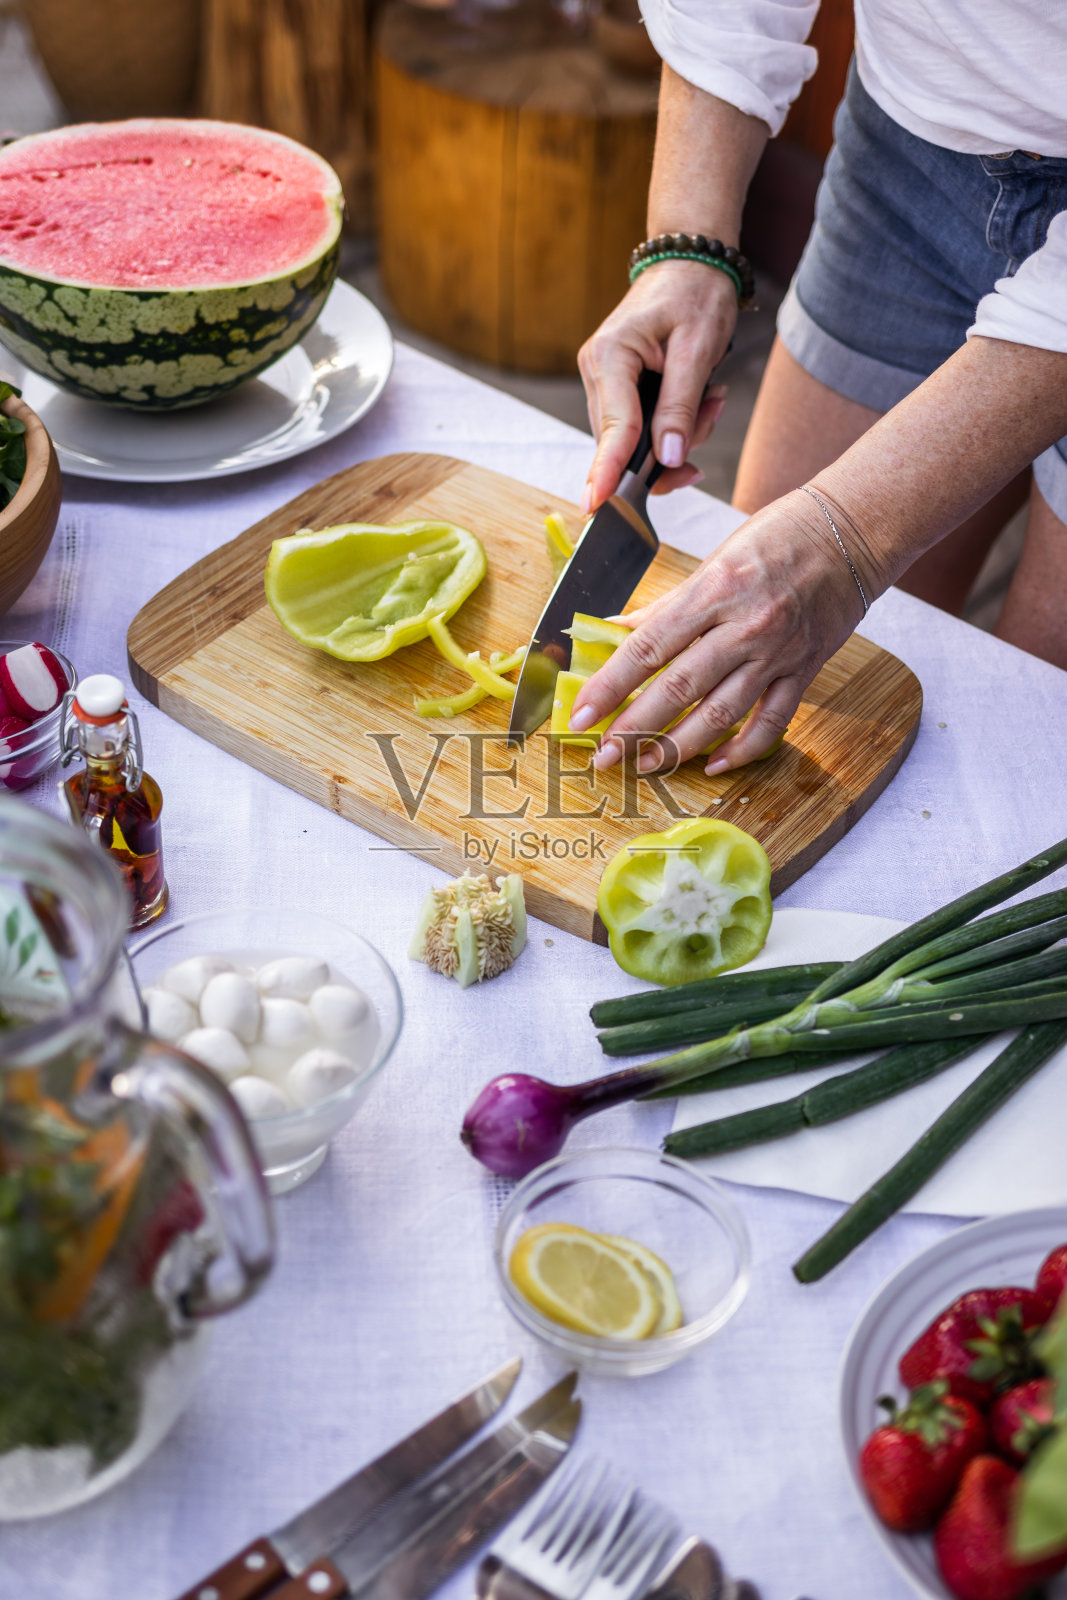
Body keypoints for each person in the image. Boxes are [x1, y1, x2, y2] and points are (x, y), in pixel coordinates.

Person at [568, 0, 1067, 779]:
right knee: (757, 649)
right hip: (908, 155)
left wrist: (847, 537)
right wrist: (688, 244)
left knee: (1024, 754)